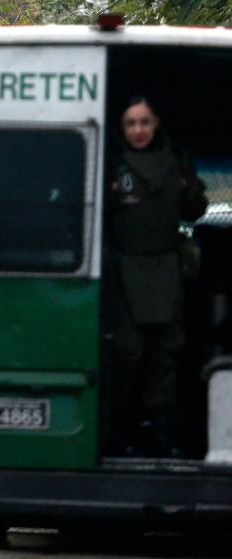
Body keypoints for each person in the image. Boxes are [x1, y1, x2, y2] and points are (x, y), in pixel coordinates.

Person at [106, 96, 208, 458]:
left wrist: (188, 186)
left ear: (156, 122)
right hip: (125, 271)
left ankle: (164, 436)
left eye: (144, 122)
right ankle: (117, 432)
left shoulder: (176, 161)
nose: (138, 130)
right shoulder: (111, 164)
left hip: (166, 270)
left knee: (165, 355)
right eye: (130, 123)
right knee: (128, 354)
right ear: (121, 128)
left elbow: (195, 212)